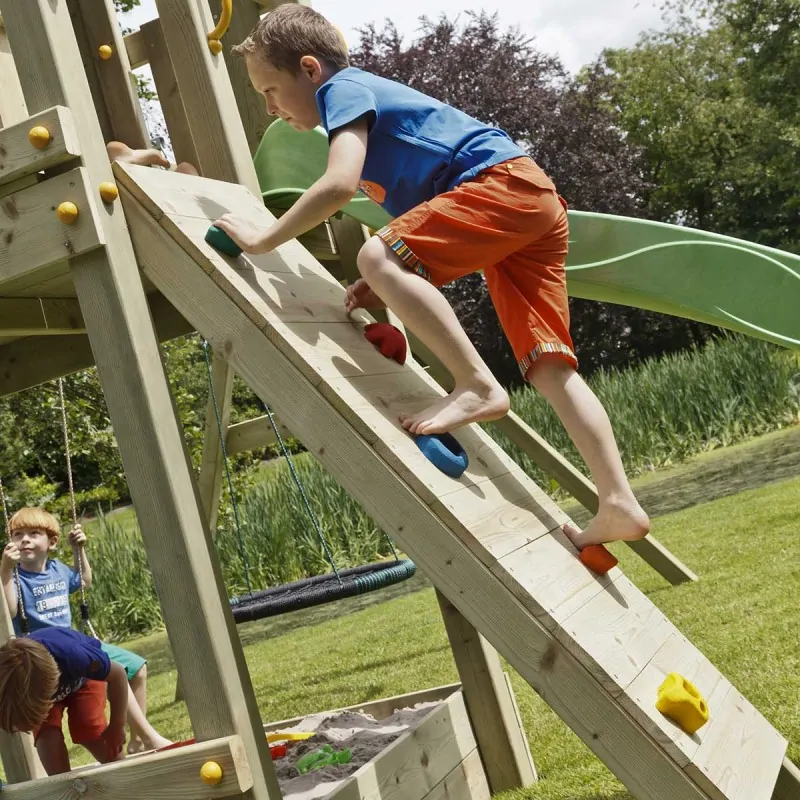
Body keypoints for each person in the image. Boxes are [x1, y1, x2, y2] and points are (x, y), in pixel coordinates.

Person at [208, 5, 649, 550]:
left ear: (309, 68)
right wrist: (387, 277)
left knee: (377, 255)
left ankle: (477, 385)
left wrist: (265, 238)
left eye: (270, 90)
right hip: (531, 201)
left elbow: (339, 185)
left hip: (499, 183)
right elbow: (425, 220)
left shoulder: (341, 90)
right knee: (549, 367)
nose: (272, 109)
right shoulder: (365, 114)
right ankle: (618, 502)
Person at [1, 507, 170, 754]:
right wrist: (5, 569)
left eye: (33, 533)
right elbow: (11, 610)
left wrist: (79, 550)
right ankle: (150, 738)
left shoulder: (58, 569)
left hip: (73, 645)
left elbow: (83, 581)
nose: (24, 539)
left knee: (136, 668)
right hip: (42, 657)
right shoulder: (15, 578)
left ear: (52, 542)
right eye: (17, 534)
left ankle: (137, 740)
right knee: (52, 724)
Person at [0, 626, 128, 774]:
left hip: (85, 679)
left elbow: (118, 676)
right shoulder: (9, 681)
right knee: (46, 735)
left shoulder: (74, 655)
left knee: (89, 726)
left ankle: (123, 774)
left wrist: (117, 726)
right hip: (35, 691)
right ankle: (63, 788)